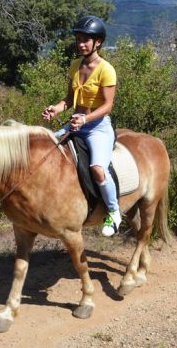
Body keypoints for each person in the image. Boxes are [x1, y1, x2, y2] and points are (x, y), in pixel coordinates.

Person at [42, 16, 121, 237]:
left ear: (98, 42)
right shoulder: (75, 65)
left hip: (98, 127)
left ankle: (114, 212)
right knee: (46, 150)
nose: (81, 43)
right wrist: (56, 109)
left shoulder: (107, 70)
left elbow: (107, 106)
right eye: (79, 39)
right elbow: (69, 99)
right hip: (76, 124)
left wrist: (85, 119)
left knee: (98, 168)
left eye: (86, 40)